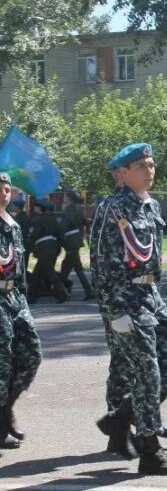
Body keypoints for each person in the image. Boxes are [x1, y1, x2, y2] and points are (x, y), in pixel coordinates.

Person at [91, 143, 167, 475]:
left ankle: (119, 419)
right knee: (147, 372)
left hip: (151, 294)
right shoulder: (112, 209)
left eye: (151, 164)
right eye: (141, 166)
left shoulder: (151, 206)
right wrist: (114, 312)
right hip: (125, 297)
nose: (150, 170)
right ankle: (150, 450)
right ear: (122, 174)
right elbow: (102, 264)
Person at [0, 173, 42, 449]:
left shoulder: (13, 225)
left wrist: (24, 300)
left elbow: (19, 264)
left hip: (14, 296)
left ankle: (6, 408)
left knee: (31, 355)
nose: (4, 193)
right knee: (1, 362)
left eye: (6, 189)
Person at [28, 199, 68, 303]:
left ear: (40, 208)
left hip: (43, 248)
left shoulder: (37, 219)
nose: (35, 208)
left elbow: (33, 235)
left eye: (36, 206)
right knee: (37, 273)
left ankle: (63, 293)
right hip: (52, 247)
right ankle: (32, 297)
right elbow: (60, 234)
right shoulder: (53, 219)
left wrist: (28, 247)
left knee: (48, 272)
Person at [58, 189, 95, 300]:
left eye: (65, 196)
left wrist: (59, 238)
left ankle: (62, 290)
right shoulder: (78, 210)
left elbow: (62, 227)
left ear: (69, 199)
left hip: (70, 241)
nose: (63, 198)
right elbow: (86, 223)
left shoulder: (66, 211)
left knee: (75, 268)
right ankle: (62, 287)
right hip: (77, 240)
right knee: (69, 267)